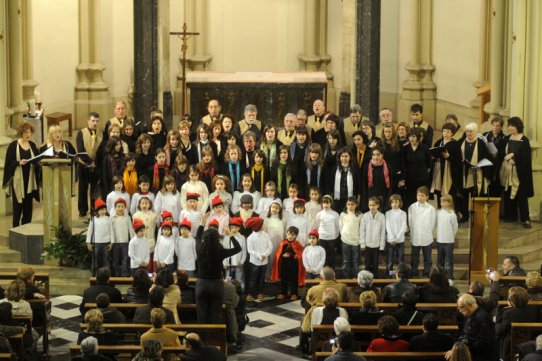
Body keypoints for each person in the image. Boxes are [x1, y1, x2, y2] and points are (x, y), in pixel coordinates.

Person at [195, 215, 242, 324]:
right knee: (216, 313)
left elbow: (197, 237)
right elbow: (238, 248)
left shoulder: (200, 249)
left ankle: (202, 337)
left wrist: (202, 221)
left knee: (202, 313)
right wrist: (230, 235)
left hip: (202, 284)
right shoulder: (220, 251)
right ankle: (214, 338)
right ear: (217, 239)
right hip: (216, 284)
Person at [2, 122, 41, 227]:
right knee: (17, 208)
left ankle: (26, 229)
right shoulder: (13, 146)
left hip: (29, 181)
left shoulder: (32, 145)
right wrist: (19, 163)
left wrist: (36, 163)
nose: (28, 134)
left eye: (29, 132)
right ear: (21, 133)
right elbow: (8, 163)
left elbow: (37, 161)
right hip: (18, 182)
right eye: (26, 132)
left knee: (28, 209)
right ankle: (16, 231)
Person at [500, 116, 534, 228]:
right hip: (507, 171)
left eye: (512, 126)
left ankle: (526, 219)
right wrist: (507, 158)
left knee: (521, 195)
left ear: (518, 126)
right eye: (509, 126)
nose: (510, 128)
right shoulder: (506, 138)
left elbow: (526, 157)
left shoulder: (524, 140)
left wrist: (514, 158)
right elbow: (501, 152)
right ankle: (510, 216)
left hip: (520, 173)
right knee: (508, 193)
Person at [458, 122, 493, 223]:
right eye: (467, 131)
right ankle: (464, 215)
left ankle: (476, 215)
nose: (468, 133)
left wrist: (479, 165)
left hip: (476, 173)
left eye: (471, 131)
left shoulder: (481, 144)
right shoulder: (461, 142)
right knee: (463, 195)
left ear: (476, 132)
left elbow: (487, 158)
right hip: (463, 173)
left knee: (476, 194)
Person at [496, 286, 537, 361]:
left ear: (511, 300)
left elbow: (500, 330)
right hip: (529, 344)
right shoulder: (533, 310)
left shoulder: (508, 313)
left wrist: (500, 313)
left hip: (510, 346)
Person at [76, 112, 104, 217]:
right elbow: (80, 150)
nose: (95, 123)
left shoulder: (102, 133)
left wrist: (96, 162)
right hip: (84, 165)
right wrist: (89, 161)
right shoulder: (81, 133)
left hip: (96, 165)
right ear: (88, 121)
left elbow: (102, 149)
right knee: (83, 188)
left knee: (95, 189)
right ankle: (82, 209)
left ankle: (94, 208)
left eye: (97, 121)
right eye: (93, 121)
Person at [456, 294, 496, 361]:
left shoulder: (482, 318)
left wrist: (467, 342)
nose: (460, 311)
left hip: (481, 356)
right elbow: (464, 334)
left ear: (470, 305)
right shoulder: (469, 316)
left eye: (461, 307)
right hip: (470, 352)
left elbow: (484, 343)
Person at [271, 226, 306, 301]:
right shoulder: (283, 243)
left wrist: (298, 257)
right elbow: (278, 255)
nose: (290, 236)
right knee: (284, 279)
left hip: (294, 266)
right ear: (286, 234)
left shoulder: (297, 244)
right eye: (289, 234)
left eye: (292, 235)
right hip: (285, 265)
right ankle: (283, 293)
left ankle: (294, 293)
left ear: (296, 236)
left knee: (294, 280)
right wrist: (282, 255)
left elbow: (302, 254)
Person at [408, 186, 436, 278]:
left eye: (422, 196)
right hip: (415, 236)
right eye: (418, 195)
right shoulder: (412, 207)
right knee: (414, 258)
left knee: (427, 259)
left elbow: (432, 223)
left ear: (427, 197)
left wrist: (427, 232)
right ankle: (414, 274)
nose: (420, 197)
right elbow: (410, 222)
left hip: (426, 236)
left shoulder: (431, 209)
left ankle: (426, 275)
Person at [245, 216, 272, 302]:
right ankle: (251, 293)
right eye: (262, 224)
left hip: (264, 261)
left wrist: (265, 254)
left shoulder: (266, 235)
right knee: (253, 278)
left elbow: (270, 246)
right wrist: (260, 256)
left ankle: (260, 292)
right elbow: (250, 250)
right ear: (257, 226)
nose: (263, 225)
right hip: (254, 261)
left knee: (262, 278)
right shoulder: (250, 238)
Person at [359, 197, 386, 277]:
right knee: (367, 264)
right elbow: (362, 231)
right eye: (370, 205)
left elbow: (382, 232)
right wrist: (362, 244)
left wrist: (382, 246)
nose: (371, 207)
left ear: (378, 205)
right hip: (367, 245)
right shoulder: (365, 216)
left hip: (377, 245)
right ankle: (367, 280)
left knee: (375, 264)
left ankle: (375, 281)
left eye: (373, 205)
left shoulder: (381, 216)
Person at [86, 199, 112, 275]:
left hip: (106, 243)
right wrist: (88, 243)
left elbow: (111, 232)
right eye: (101, 209)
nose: (103, 211)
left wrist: (111, 242)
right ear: (97, 210)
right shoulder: (93, 219)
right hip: (96, 243)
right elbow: (90, 231)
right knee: (96, 260)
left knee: (106, 260)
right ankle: (94, 275)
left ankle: (107, 276)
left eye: (104, 209)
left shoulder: (108, 219)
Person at [339, 197, 362, 279]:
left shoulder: (359, 215)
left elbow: (361, 228)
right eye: (348, 204)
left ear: (356, 205)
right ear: (346, 205)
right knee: (346, 260)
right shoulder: (343, 214)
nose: (350, 206)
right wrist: (343, 235)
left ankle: (355, 277)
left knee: (355, 261)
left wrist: (360, 239)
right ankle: (346, 277)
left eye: (352, 204)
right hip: (345, 240)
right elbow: (340, 226)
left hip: (356, 241)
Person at [315, 195, 340, 268]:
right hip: (322, 238)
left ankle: (332, 272)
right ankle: (323, 273)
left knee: (331, 256)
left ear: (331, 203)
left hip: (331, 238)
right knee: (323, 256)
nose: (325, 205)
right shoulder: (319, 214)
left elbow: (337, 226)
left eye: (327, 203)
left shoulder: (335, 214)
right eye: (324, 203)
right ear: (322, 204)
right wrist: (320, 235)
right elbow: (318, 225)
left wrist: (335, 236)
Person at [385, 194, 407, 278]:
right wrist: (392, 238)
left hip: (400, 241)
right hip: (390, 241)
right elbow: (388, 226)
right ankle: (390, 276)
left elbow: (403, 226)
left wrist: (397, 239)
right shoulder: (388, 213)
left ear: (399, 202)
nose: (394, 204)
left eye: (396, 202)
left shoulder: (403, 213)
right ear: (390, 203)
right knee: (390, 261)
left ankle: (399, 276)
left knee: (400, 261)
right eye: (393, 202)